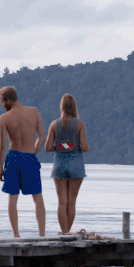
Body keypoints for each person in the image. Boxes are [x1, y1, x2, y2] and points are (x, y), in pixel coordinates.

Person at [0, 86, 46, 237]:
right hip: (29, 157)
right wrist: (33, 152)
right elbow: (42, 137)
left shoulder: (4, 118)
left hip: (14, 157)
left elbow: (3, 146)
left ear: (9, 100)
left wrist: (0, 168)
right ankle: (42, 234)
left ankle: (16, 235)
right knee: (37, 197)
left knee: (13, 198)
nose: (1, 105)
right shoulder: (34, 111)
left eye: (2, 102)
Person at [45, 94, 89, 235]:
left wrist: (61, 146)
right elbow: (85, 147)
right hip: (76, 164)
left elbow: (47, 147)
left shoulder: (54, 124)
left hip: (59, 164)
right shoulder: (79, 124)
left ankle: (64, 233)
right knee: (72, 202)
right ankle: (67, 234)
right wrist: (73, 145)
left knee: (61, 202)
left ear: (61, 107)